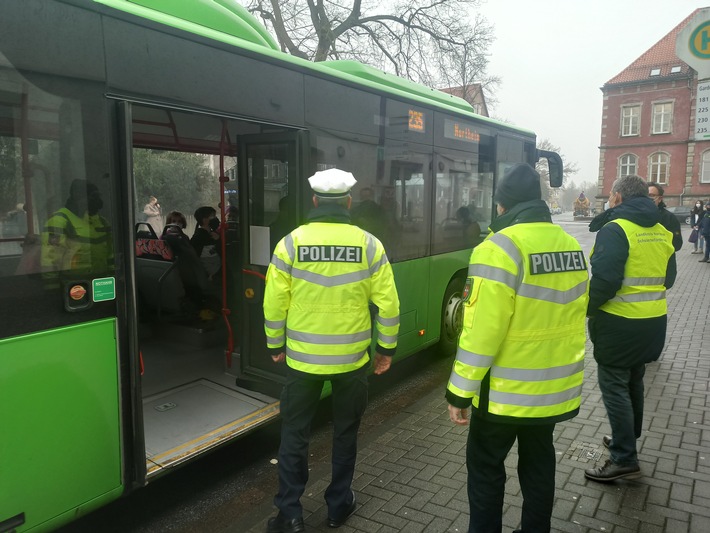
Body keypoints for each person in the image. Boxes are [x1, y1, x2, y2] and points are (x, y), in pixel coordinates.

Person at [445, 163, 589, 533]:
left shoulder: (497, 248)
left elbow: (480, 334)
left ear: (503, 206)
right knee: (539, 465)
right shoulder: (570, 246)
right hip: (553, 390)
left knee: (486, 470)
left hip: (504, 395)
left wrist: (459, 392)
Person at [263, 168, 400, 533]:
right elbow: (388, 305)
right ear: (349, 202)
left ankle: (290, 514)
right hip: (351, 360)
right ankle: (338, 506)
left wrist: (275, 344)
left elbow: (274, 303)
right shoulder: (370, 245)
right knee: (345, 432)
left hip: (303, 360)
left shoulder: (290, 243)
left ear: (314, 201)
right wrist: (385, 349)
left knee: (294, 434)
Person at [584, 174, 676, 483]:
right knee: (634, 380)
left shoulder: (616, 229)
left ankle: (624, 457)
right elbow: (670, 278)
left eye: (611, 196)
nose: (609, 201)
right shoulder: (662, 230)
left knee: (614, 387)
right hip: (653, 322)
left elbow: (605, 281)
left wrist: (586, 309)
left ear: (619, 198)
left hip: (619, 324)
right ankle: (627, 439)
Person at [41, 179, 113, 288]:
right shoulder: (59, 221)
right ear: (77, 196)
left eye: (98, 196)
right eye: (93, 196)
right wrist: (52, 288)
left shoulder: (102, 221)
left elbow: (111, 254)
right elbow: (50, 259)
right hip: (73, 286)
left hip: (102, 285)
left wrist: (113, 277)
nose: (97, 201)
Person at [647, 182, 682, 251]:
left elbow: (677, 244)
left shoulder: (669, 218)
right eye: (645, 195)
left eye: (651, 195)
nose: (648, 198)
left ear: (660, 199)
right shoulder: (635, 216)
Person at [190, 206, 221, 279]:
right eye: (212, 216)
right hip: (212, 269)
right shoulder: (199, 236)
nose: (215, 218)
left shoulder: (211, 233)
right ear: (204, 220)